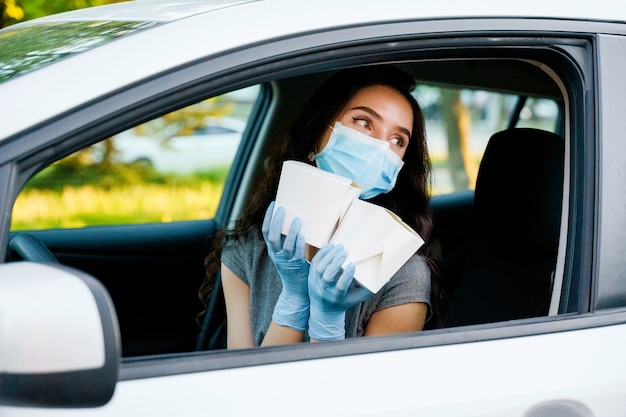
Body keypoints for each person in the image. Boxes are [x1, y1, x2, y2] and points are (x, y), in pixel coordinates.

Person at [199, 66, 444, 348]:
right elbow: (243, 382)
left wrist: (327, 325)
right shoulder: (247, 248)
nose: (380, 148)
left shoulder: (401, 270)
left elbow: (364, 391)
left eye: (397, 140)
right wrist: (294, 300)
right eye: (364, 122)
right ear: (317, 131)